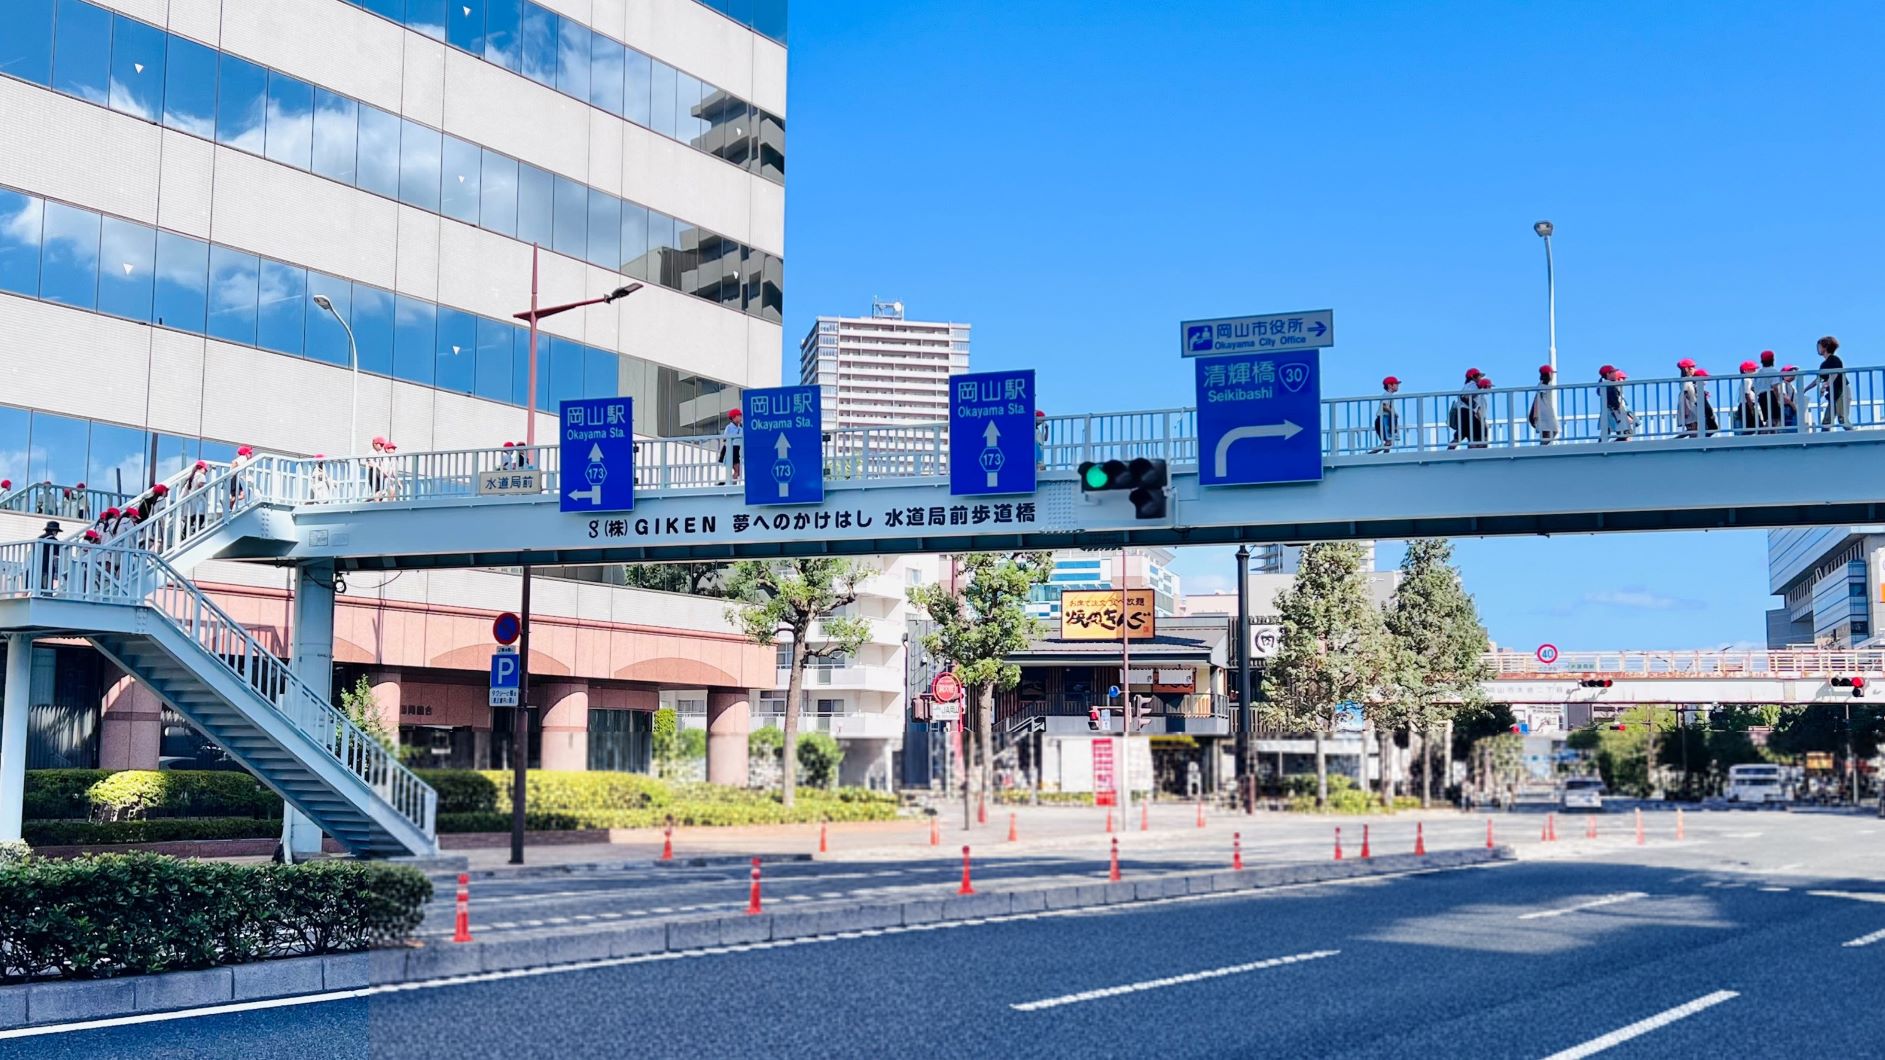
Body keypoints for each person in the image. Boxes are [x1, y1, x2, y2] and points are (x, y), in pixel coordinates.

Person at [1810, 335, 1850, 430]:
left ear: (1825, 347)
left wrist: (1825, 385)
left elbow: (1834, 374)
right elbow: (1819, 379)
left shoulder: (1835, 359)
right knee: (1827, 421)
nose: (1818, 349)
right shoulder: (1824, 364)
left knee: (1842, 418)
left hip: (1841, 390)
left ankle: (1856, 436)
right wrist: (1805, 389)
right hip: (1834, 393)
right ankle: (1822, 440)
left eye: (1819, 346)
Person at [1448, 368, 1482, 449]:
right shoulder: (1473, 385)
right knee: (1472, 432)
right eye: (1479, 376)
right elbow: (1465, 396)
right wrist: (1474, 405)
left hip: (1462, 411)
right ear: (1473, 376)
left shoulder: (1467, 385)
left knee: (1463, 432)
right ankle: (1472, 450)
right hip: (1467, 412)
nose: (1480, 378)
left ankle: (1450, 449)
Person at [1599, 365, 1634, 441]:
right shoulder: (1609, 385)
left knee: (1607, 431)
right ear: (1608, 374)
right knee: (1624, 433)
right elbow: (1614, 400)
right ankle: (1607, 446)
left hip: (1612, 413)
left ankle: (1600, 446)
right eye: (1613, 372)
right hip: (1615, 413)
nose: (1615, 373)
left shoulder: (1605, 385)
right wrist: (1618, 409)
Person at [1528, 365, 1558, 445]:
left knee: (1551, 431)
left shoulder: (1542, 385)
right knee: (1550, 431)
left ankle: (1543, 447)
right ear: (1549, 374)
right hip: (1544, 414)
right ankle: (1542, 449)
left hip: (1545, 413)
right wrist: (1533, 415)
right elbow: (1538, 399)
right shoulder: (1543, 385)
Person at [1371, 376, 1401, 453]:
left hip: (1384, 420)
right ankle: (1371, 454)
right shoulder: (1387, 394)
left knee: (1389, 442)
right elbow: (1384, 406)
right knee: (1388, 441)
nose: (1398, 386)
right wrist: (1393, 413)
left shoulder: (1389, 395)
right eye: (1396, 384)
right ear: (1390, 385)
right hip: (1382, 420)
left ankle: (1383, 454)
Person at [1755, 350, 1782, 433]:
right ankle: (1765, 432)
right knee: (1775, 418)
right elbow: (1775, 387)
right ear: (1773, 360)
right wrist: (1778, 399)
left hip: (1761, 396)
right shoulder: (1773, 371)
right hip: (1770, 395)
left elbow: (1754, 387)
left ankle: (1766, 432)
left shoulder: (1759, 373)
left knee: (1768, 418)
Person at [1734, 360, 1763, 433]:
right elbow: (1747, 394)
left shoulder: (1745, 381)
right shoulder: (1747, 380)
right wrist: (1752, 409)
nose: (1755, 371)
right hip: (1747, 406)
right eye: (1752, 369)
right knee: (1756, 426)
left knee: (1750, 427)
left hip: (1745, 406)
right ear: (1745, 371)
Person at [1676, 358, 1700, 438]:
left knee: (1693, 430)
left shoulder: (1687, 381)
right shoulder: (1686, 381)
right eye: (1692, 367)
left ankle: (1677, 439)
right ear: (1687, 369)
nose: (1694, 369)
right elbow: (1685, 396)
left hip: (1690, 409)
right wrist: (1686, 411)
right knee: (1693, 430)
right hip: (1690, 410)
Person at [36, 520, 61, 591]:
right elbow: (57, 553)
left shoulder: (39, 538)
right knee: (47, 588)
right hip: (47, 567)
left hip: (36, 566)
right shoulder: (53, 540)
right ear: (54, 531)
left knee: (37, 587)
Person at [720, 408, 743, 484]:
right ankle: (729, 484)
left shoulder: (741, 428)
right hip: (729, 448)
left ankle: (727, 483)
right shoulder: (729, 427)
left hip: (736, 449)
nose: (740, 417)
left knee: (737, 471)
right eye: (739, 416)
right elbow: (725, 438)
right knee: (736, 470)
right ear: (733, 417)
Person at [1470, 375, 1493, 448]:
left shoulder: (1480, 396)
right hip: (1479, 421)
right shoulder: (1481, 397)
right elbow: (1478, 410)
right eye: (1489, 387)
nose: (1490, 389)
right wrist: (1482, 421)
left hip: (1478, 420)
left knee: (1477, 440)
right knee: (1482, 440)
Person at [1778, 365, 1801, 431]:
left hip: (1791, 409)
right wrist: (1793, 406)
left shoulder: (1791, 386)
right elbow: (1784, 397)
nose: (1793, 375)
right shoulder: (1781, 384)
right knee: (1788, 427)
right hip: (1786, 409)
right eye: (1791, 372)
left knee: (1793, 427)